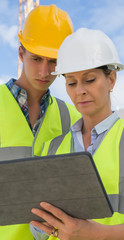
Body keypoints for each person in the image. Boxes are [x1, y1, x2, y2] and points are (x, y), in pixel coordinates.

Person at [30, 28, 124, 240]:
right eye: (71, 83)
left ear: (111, 80)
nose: (79, 90)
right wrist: (46, 223)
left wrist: (98, 234)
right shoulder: (50, 148)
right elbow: (37, 231)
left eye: (89, 80)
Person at [0, 5, 80, 240]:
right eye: (36, 59)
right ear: (21, 53)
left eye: (54, 61)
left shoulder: (73, 119)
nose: (45, 71)